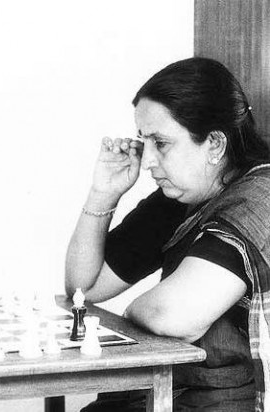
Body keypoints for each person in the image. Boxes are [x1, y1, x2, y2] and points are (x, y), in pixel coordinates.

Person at [65, 57, 270, 411]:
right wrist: (103, 194)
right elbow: (85, 289)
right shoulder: (182, 196)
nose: (147, 162)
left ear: (215, 144)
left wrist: (133, 310)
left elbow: (174, 316)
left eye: (161, 143)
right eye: (145, 142)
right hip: (167, 392)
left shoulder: (261, 198)